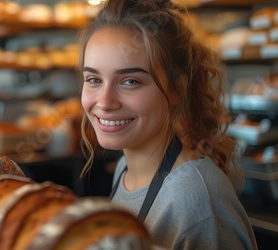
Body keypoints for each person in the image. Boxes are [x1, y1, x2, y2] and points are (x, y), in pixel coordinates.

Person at [78, 0, 257, 249]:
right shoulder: (124, 169)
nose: (105, 102)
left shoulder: (197, 201)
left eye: (130, 81)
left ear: (177, 89)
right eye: (94, 79)